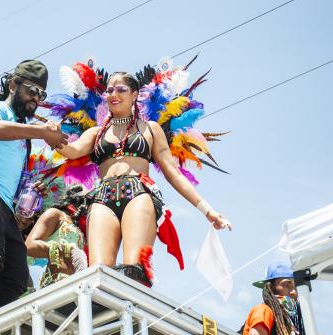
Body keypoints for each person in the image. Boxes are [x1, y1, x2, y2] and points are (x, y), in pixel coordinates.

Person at [55, 69, 230, 286]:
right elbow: (72, 151)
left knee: (133, 272)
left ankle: (133, 318)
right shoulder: (95, 133)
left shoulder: (151, 129)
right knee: (96, 275)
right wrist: (51, 136)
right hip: (102, 199)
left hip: (138, 194)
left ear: (135, 94)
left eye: (121, 89)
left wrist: (207, 210)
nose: (113, 94)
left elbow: (173, 173)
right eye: (109, 90)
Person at [0, 59, 68, 319]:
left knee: (17, 276)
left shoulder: (23, 134)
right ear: (13, 85)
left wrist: (29, 196)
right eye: (31, 90)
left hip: (3, 206)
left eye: (41, 94)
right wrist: (40, 131)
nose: (36, 98)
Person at [25, 184, 88, 288]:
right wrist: (65, 250)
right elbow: (29, 246)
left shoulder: (82, 230)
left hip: (78, 288)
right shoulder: (56, 214)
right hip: (55, 285)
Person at [241, 262, 305, 335]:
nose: (294, 292)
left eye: (296, 287)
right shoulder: (264, 310)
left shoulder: (291, 324)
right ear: (271, 288)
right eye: (287, 285)